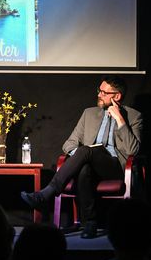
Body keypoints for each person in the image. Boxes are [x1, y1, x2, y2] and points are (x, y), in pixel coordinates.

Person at [20, 76, 143, 239]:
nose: (99, 95)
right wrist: (81, 156)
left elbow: (132, 150)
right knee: (84, 166)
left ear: (117, 96)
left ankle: (46, 194)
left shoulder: (134, 117)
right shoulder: (89, 114)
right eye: (99, 90)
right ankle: (90, 223)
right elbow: (68, 144)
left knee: (86, 152)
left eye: (104, 92)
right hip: (89, 163)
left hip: (114, 167)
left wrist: (120, 119)